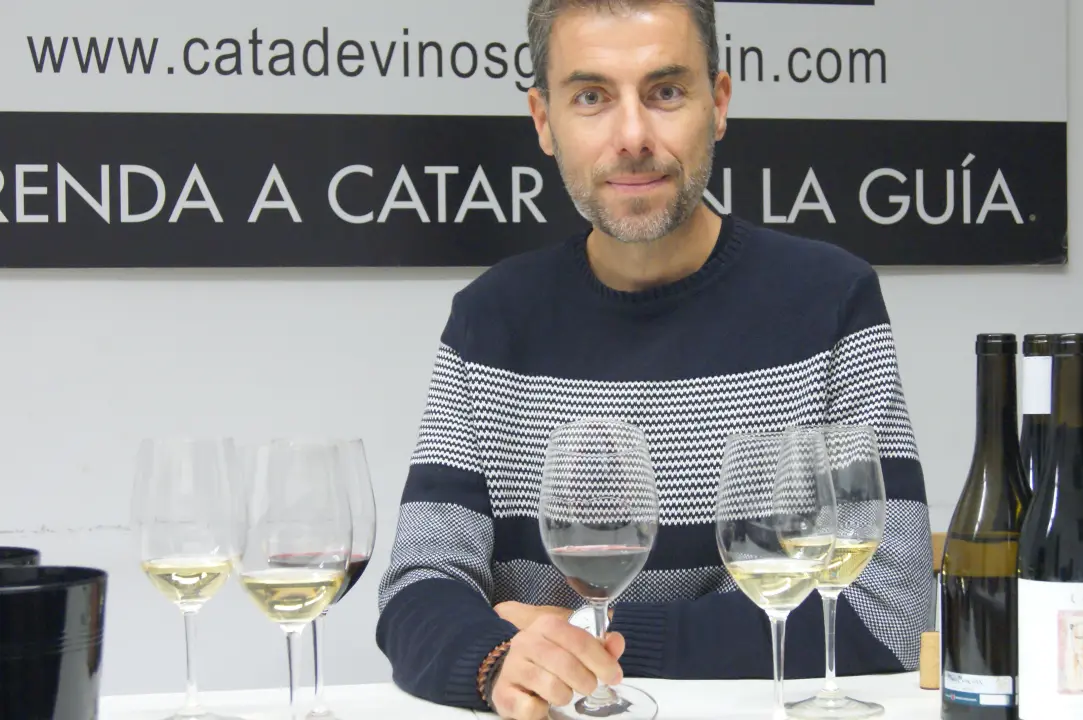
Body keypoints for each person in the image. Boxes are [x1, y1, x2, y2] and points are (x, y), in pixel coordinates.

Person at [374, 1, 933, 718]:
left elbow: (889, 615)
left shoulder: (829, 301)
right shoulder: (490, 319)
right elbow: (418, 588)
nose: (633, 136)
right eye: (592, 97)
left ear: (718, 104)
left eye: (665, 92)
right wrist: (497, 664)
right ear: (544, 120)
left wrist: (583, 638)